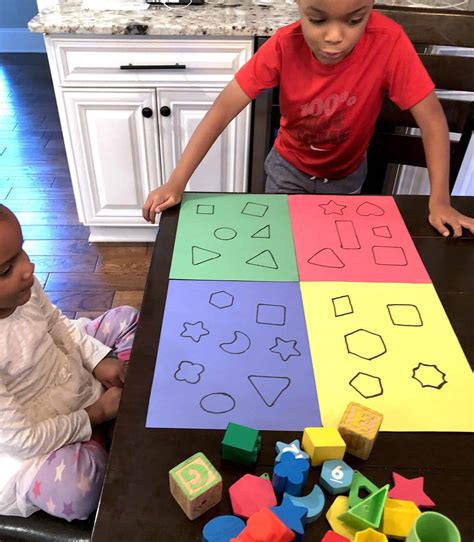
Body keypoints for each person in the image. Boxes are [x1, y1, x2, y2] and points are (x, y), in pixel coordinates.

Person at [143, 0, 473, 238]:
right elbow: (223, 109)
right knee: (281, 249)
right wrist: (177, 180)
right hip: (287, 172)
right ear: (299, 5)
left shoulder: (389, 42)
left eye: (355, 20)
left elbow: (432, 120)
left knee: (332, 252)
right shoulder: (284, 45)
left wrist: (440, 199)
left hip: (346, 179)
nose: (334, 36)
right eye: (317, 20)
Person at [0, 204, 139, 521]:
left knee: (126, 318)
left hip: (63, 370)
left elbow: (56, 325)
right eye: (5, 270)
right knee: (77, 491)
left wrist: (97, 360)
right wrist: (97, 413)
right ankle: (106, 430)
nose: (28, 268)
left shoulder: (26, 288)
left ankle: (114, 411)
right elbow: (23, 441)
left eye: (22, 251)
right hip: (33, 435)